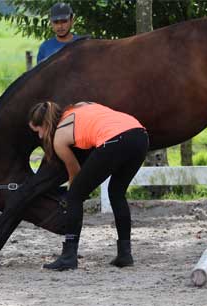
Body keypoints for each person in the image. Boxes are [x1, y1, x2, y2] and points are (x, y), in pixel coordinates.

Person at [28, 101, 149, 271]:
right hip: (140, 135)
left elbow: (74, 173)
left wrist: (71, 195)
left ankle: (69, 256)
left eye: (38, 130)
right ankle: (125, 254)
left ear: (45, 124)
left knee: (74, 195)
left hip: (115, 139)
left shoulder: (59, 138)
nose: (40, 136)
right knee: (116, 193)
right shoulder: (79, 106)